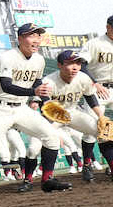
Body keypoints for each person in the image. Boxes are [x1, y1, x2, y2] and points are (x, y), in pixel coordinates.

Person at [0, 23, 68, 195]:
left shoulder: (39, 59)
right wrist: (34, 92)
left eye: (38, 35)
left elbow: (37, 82)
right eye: (31, 35)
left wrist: (46, 101)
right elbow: (6, 86)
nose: (36, 40)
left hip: (22, 108)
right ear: (19, 38)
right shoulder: (7, 57)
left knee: (51, 137)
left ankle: (47, 180)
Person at [37, 50, 105, 183]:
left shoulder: (83, 77)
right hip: (53, 115)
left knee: (102, 131)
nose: (75, 67)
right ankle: (40, 178)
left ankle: (95, 166)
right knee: (35, 147)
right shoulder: (48, 81)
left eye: (78, 63)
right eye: (70, 63)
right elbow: (45, 107)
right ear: (60, 65)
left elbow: (90, 98)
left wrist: (101, 116)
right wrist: (53, 129)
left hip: (72, 112)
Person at [77, 16, 113, 175]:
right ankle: (86, 164)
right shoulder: (95, 44)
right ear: (108, 27)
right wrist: (94, 82)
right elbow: (81, 64)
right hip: (97, 88)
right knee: (92, 128)